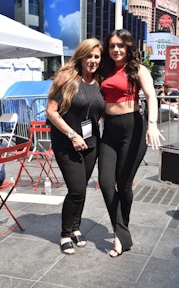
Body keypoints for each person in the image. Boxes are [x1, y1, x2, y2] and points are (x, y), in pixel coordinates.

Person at [98, 29, 165, 258]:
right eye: (112, 46)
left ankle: (119, 232)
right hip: (110, 130)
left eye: (120, 45)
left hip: (133, 128)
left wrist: (153, 124)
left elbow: (151, 96)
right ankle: (122, 231)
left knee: (124, 185)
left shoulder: (138, 69)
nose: (116, 49)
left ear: (128, 47)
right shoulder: (104, 70)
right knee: (106, 182)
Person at [46, 38, 104, 255]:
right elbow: (50, 111)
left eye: (97, 56)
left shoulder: (98, 81)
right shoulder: (66, 77)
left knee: (81, 189)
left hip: (91, 143)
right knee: (77, 189)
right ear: (81, 55)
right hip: (66, 143)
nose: (93, 60)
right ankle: (64, 233)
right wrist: (71, 135)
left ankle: (75, 227)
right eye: (89, 55)